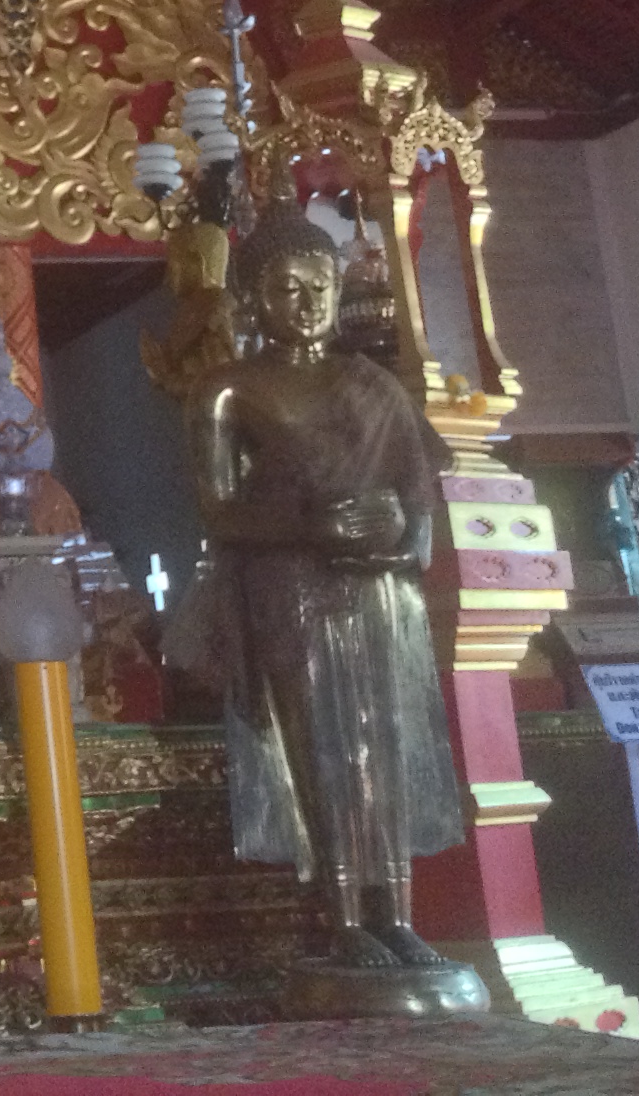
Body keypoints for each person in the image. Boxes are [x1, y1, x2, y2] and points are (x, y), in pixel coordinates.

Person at [169, 200, 465, 975]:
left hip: (377, 593)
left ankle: (398, 915)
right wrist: (309, 526)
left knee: (382, 748)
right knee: (320, 750)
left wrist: (395, 532)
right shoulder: (227, 389)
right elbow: (218, 511)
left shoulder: (374, 385)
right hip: (289, 589)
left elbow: (421, 510)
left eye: (321, 287)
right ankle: (344, 918)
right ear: (252, 299)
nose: (307, 304)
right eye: (288, 289)